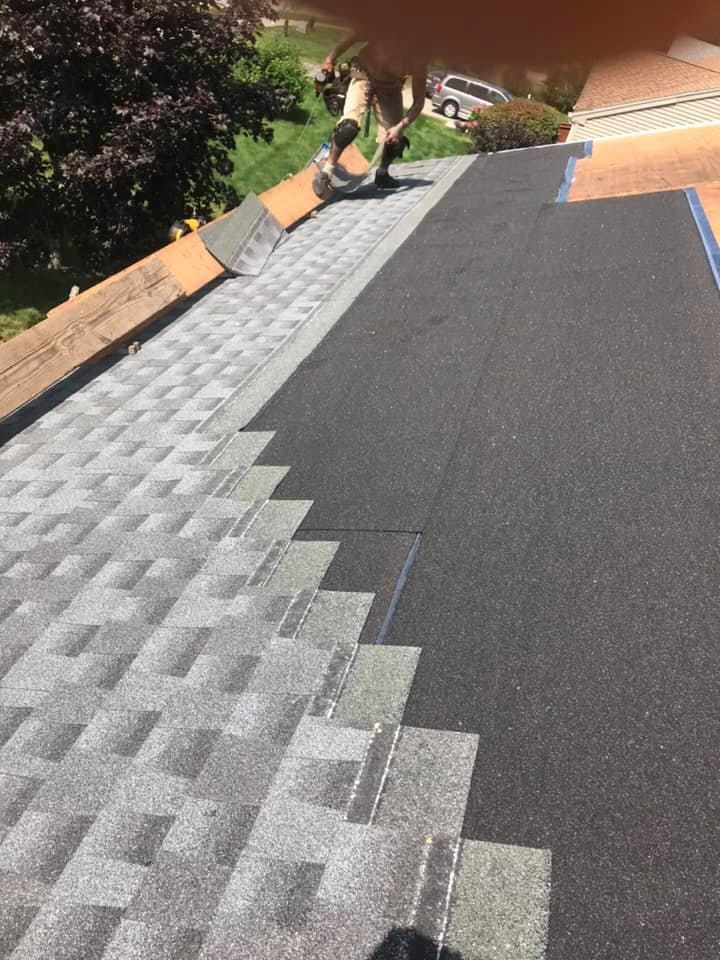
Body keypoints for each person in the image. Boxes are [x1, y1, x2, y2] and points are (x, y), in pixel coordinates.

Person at [313, 31, 427, 196]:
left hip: (390, 88)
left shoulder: (420, 62)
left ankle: (382, 174)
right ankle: (326, 171)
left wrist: (400, 126)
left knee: (395, 140)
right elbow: (352, 34)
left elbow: (418, 103)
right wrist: (330, 59)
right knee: (349, 127)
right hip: (364, 75)